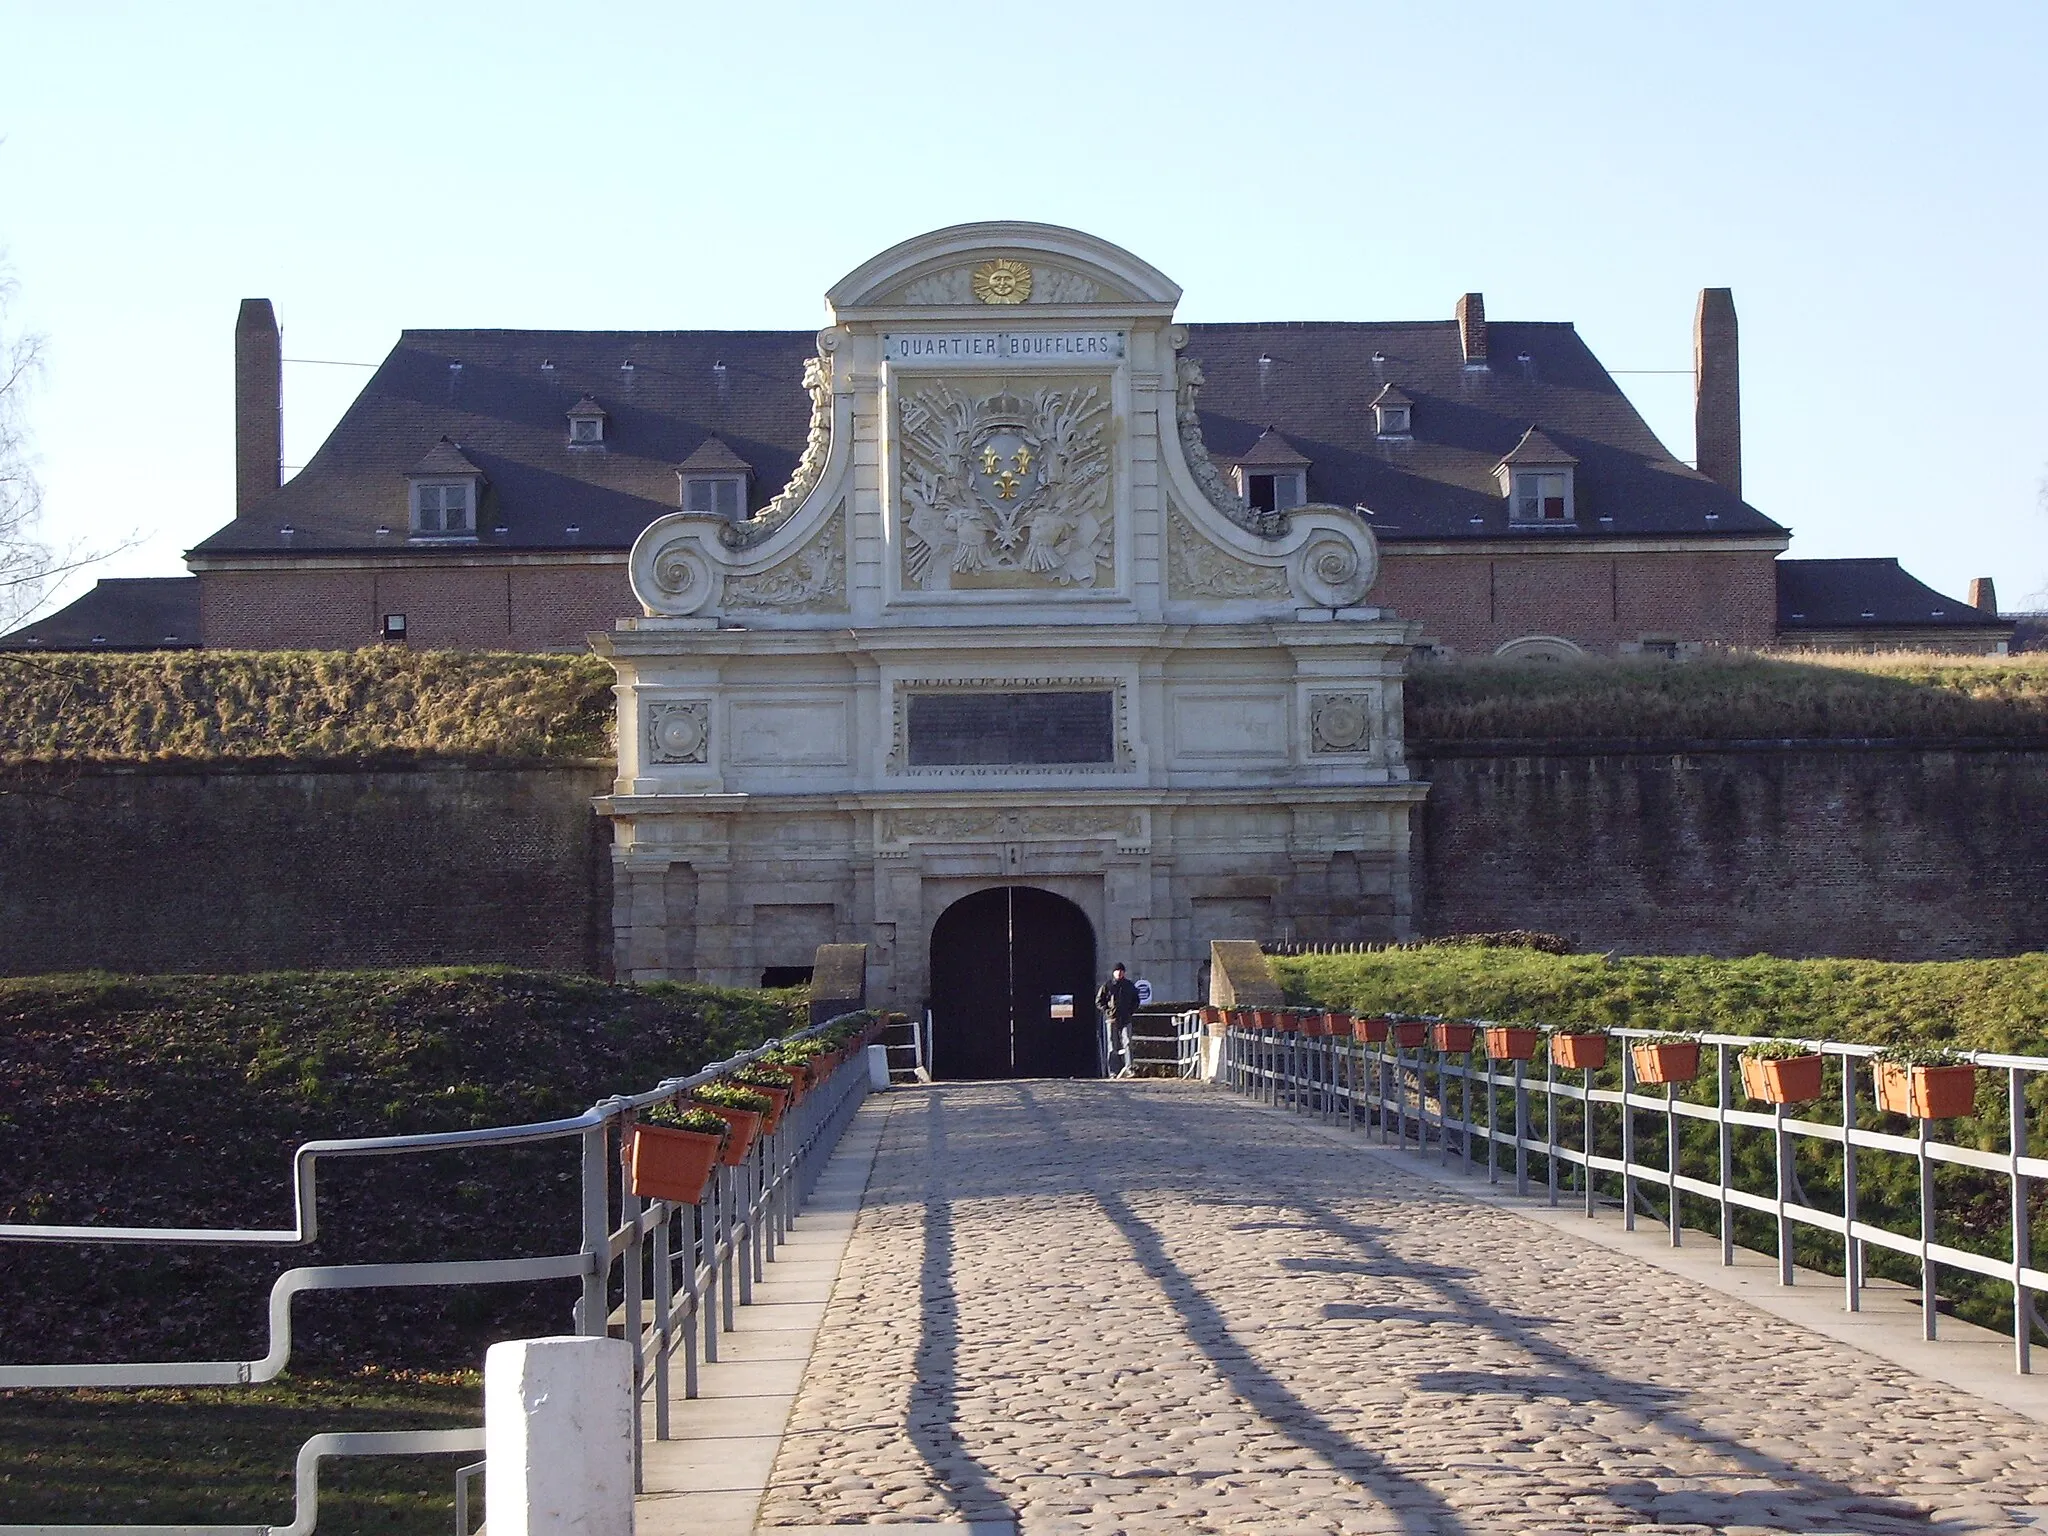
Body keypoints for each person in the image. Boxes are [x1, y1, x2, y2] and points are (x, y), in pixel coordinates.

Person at [1095, 963, 1141, 1079]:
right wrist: (1107, 1011)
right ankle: (1113, 1071)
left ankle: (1130, 1068)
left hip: (1126, 1018)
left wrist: (1130, 1011)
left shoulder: (1129, 986)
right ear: (1113, 972)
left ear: (1124, 973)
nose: (1119, 973)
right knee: (1112, 1046)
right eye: (1117, 971)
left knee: (1128, 1043)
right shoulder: (1107, 985)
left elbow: (1136, 1000)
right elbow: (1099, 1001)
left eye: (1121, 971)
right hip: (1112, 1019)